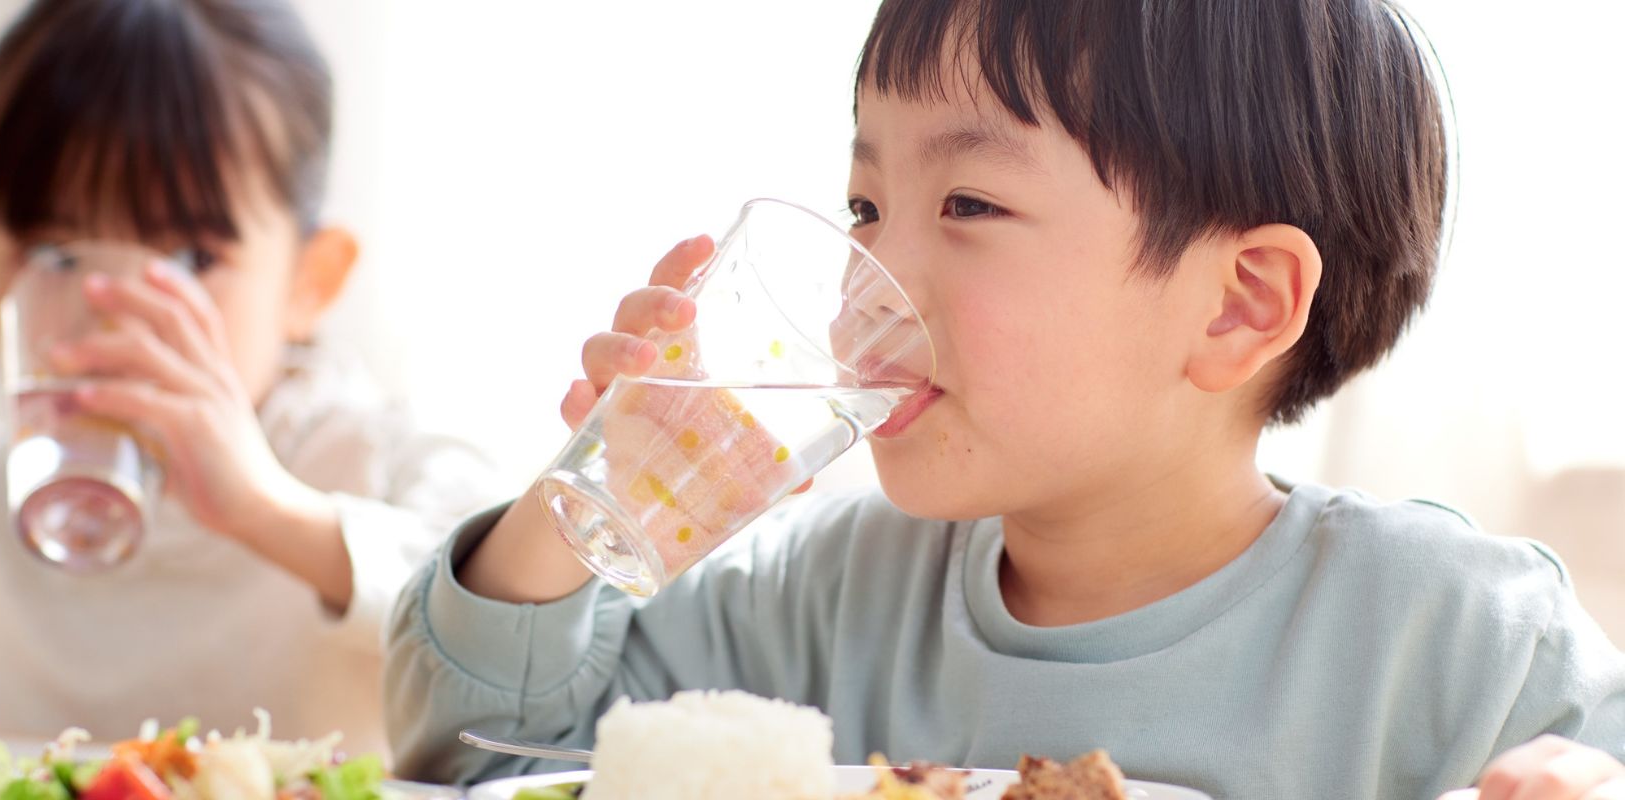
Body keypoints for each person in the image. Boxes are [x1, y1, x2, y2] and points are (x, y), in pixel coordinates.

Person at [382, 0, 1625, 796]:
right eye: (865, 207)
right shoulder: (825, 597)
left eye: (969, 205)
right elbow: (473, 754)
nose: (868, 286)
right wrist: (585, 495)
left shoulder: (1462, 635)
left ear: (1239, 302)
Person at [0, 0, 499, 756]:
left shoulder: (367, 458)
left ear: (310, 281)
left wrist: (268, 509)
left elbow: (512, 636)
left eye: (190, 261)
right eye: (55, 253)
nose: (113, 310)